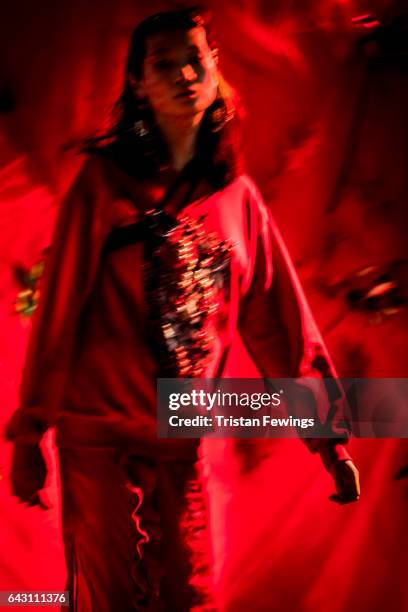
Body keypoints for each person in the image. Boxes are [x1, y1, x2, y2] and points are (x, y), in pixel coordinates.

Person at [5, 7, 360, 611]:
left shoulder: (237, 197)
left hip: (184, 438)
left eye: (194, 59)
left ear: (215, 69)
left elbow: (282, 327)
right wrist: (29, 431)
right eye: (162, 64)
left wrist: (332, 442)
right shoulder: (101, 185)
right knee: (106, 598)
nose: (182, 74)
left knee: (190, 596)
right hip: (99, 437)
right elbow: (58, 312)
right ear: (137, 83)